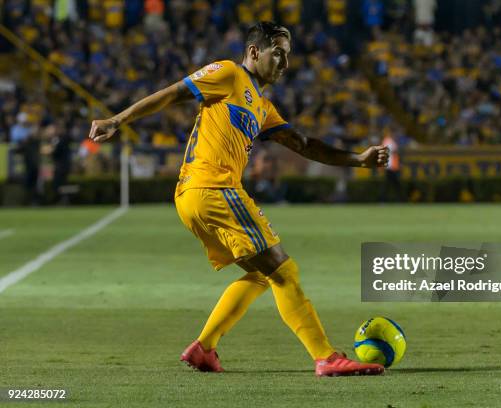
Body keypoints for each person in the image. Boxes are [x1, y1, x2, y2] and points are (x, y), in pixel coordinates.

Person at [88, 21, 389, 377]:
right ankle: (325, 356)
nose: (285, 64)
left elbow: (304, 145)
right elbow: (174, 93)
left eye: (288, 56)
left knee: (263, 276)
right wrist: (118, 119)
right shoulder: (228, 74)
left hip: (196, 196)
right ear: (253, 52)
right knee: (284, 270)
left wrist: (357, 159)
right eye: (278, 53)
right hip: (212, 188)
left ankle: (204, 348)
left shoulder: (262, 107)